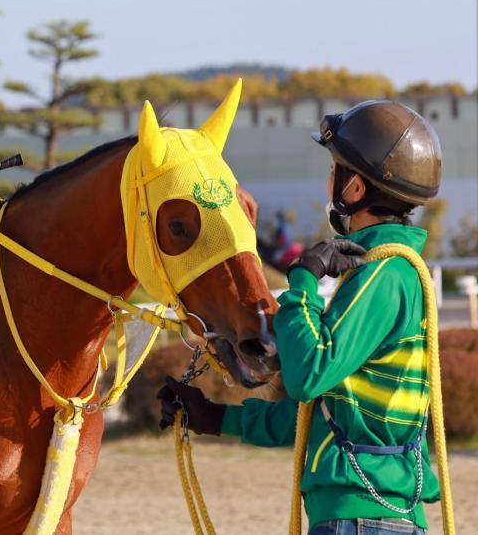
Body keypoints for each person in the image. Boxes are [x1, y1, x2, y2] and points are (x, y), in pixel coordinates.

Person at [157, 100, 443, 534]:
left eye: (335, 170)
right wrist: (214, 419)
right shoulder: (390, 272)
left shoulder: (386, 274)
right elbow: (318, 414)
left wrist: (304, 280)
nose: (329, 179)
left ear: (355, 189)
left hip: (363, 521)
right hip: (366, 516)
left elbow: (308, 376)